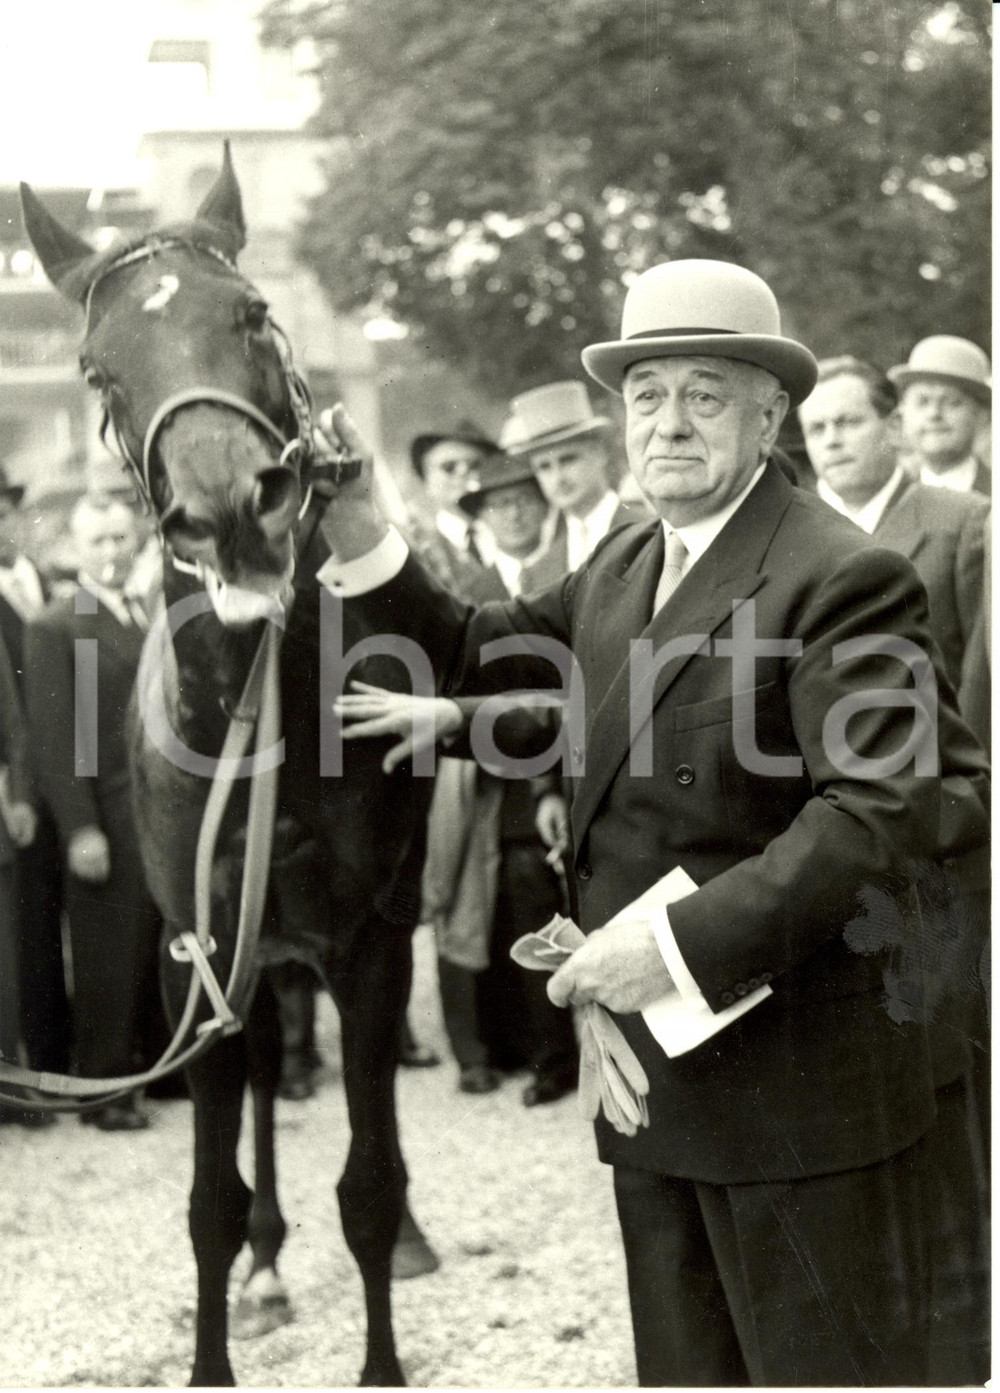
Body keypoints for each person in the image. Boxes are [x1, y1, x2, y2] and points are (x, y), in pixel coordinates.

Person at [315, 258, 990, 1386]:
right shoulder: (627, 558)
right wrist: (356, 530)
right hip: (658, 1083)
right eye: (644, 395)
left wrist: (660, 951)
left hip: (799, 1097)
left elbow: (878, 813)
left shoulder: (844, 572)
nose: (667, 424)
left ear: (769, 414)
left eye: (704, 395)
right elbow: (477, 643)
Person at [419, 451, 579, 1102]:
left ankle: (557, 1052)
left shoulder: (568, 574)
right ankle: (503, 1048)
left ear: (544, 506)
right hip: (485, 774)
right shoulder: (472, 590)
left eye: (523, 501)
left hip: (559, 761)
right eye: (496, 506)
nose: (512, 514)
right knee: (480, 905)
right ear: (481, 520)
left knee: (539, 895)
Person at [24, 493, 162, 1131]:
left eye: (120, 539)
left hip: (156, 809)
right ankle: (104, 1089)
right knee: (109, 945)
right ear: (75, 551)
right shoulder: (57, 624)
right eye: (97, 542)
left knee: (156, 939)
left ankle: (159, 1071)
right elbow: (55, 740)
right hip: (104, 810)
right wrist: (80, 828)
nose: (112, 552)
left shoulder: (143, 614)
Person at [0, 465, 72, 1107]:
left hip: (69, 780)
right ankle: (33, 1067)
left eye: (5, 511)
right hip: (18, 784)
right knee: (24, 928)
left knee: (70, 913)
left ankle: (65, 1057)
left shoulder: (44, 584)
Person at [499, 381, 646, 592]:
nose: (558, 478)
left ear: (599, 453)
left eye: (568, 460)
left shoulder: (649, 529)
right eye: (544, 467)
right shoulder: (540, 571)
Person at [890, 336, 992, 497]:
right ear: (903, 410)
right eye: (922, 401)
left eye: (952, 402)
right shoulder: (890, 498)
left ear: (982, 415)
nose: (934, 414)